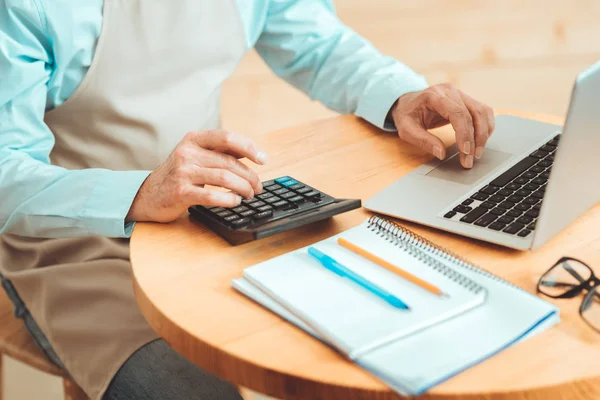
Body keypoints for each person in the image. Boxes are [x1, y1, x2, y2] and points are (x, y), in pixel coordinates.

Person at [0, 0, 495, 399]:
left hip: (208, 216)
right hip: (72, 240)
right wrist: (142, 192)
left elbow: (318, 45)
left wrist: (400, 96)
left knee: (390, 336)